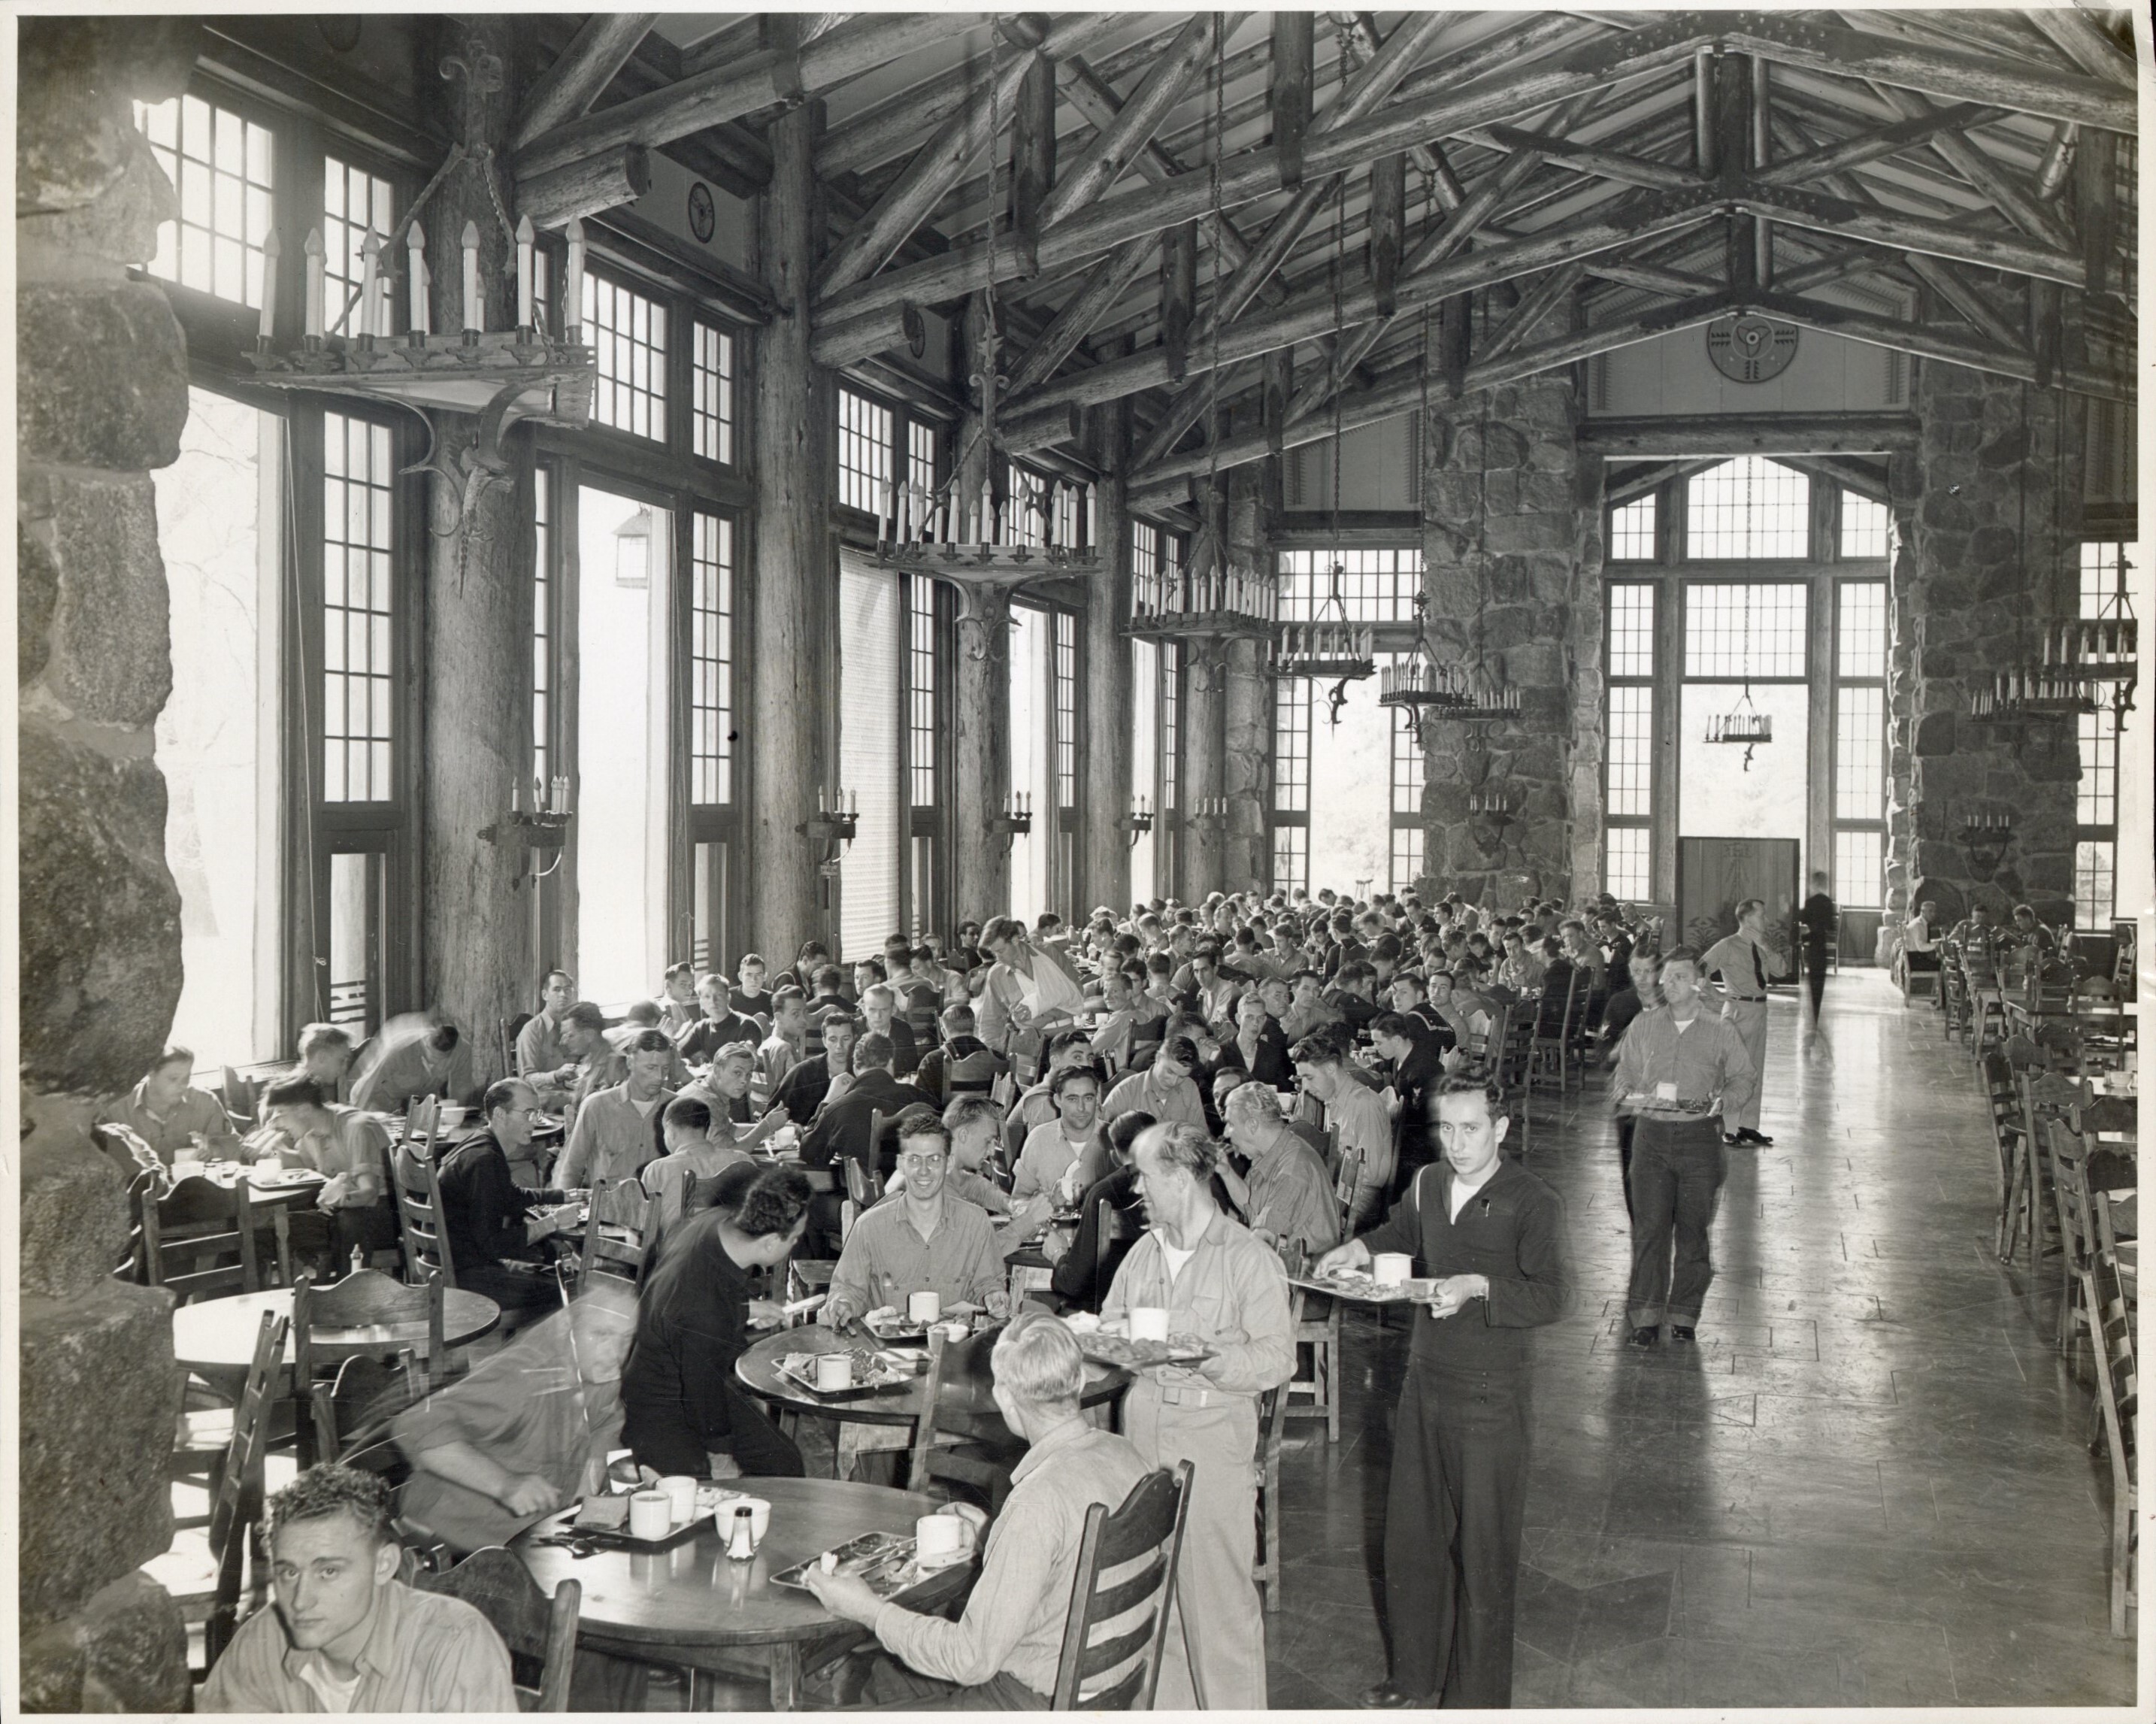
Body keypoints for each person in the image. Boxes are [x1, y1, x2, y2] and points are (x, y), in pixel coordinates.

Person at [1319, 1075, 1570, 1710]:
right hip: (1425, 1379)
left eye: (1471, 1129)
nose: (1456, 1143)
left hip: (1491, 1393)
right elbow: (1401, 1236)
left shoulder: (1533, 1200)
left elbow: (1553, 1295)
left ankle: (1476, 1699)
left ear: (1501, 1128)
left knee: (1484, 1551)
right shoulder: (1430, 1182)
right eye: (1447, 1128)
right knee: (1413, 1536)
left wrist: (1479, 1285)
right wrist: (1355, 1248)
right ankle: (1412, 1675)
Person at [803, 1311, 1155, 1710]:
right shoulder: (1125, 1454)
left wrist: (868, 1610)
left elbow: (971, 1660)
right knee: (888, 1677)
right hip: (1107, 1683)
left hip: (1037, 1700)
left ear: (1004, 1396)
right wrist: (995, 1536)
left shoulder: (1037, 1501)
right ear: (1078, 1380)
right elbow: (1072, 1556)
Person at [1101, 1123, 1293, 1710]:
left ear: (1181, 1178)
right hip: (1141, 1442)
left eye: (1144, 1175)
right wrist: (1103, 1339)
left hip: (1209, 1444)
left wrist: (1210, 1359)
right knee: (1157, 1606)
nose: (1136, 1187)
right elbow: (1110, 1322)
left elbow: (1277, 1359)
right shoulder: (1143, 1252)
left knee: (1218, 1613)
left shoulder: (1247, 1258)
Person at [198, 1463, 516, 1713]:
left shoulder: (454, 1644)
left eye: (328, 1572)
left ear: (384, 1565)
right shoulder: (263, 1640)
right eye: (289, 1572)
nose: (300, 1601)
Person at [394, 1284, 638, 1553]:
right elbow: (414, 1426)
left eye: (626, 1338)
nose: (615, 1353)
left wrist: (581, 1504)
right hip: (447, 1537)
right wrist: (505, 1484)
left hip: (528, 1533)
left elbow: (604, 1431)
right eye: (601, 1334)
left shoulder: (601, 1377)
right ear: (568, 1329)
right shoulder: (521, 1377)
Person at [619, 1167, 814, 1479]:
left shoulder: (712, 1223)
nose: (794, 1245)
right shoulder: (705, 1311)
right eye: (793, 1239)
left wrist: (744, 1310)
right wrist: (719, 1452)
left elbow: (681, 1307)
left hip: (686, 1367)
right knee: (696, 1493)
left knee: (782, 1462)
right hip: (659, 1404)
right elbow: (704, 1395)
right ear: (769, 1243)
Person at [1614, 947, 1752, 1347]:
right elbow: (1626, 1072)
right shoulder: (1644, 1024)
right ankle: (1644, 1316)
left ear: (1698, 983)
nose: (1668, 984)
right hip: (1651, 1138)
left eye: (1679, 977)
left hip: (1699, 1141)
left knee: (1693, 1231)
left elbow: (1744, 1077)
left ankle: (1684, 1314)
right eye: (1666, 976)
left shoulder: (1720, 1030)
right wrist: (1627, 1092)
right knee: (1650, 1231)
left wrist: (1724, 1101)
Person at [823, 1107, 1010, 1329]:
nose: (924, 1171)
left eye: (934, 1159)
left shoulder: (976, 1223)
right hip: (890, 1345)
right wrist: (842, 1304)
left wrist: (994, 1296)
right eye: (914, 1160)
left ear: (949, 1163)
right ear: (900, 1164)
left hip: (955, 1344)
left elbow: (988, 1283)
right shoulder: (869, 1227)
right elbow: (848, 1291)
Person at [435, 1080, 577, 1317]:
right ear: (500, 1114)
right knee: (572, 1286)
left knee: (560, 1274)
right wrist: (552, 1223)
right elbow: (493, 1244)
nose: (535, 1122)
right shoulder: (485, 1160)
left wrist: (566, 1196)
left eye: (537, 1113)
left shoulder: (482, 1141)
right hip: (468, 1278)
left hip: (455, 1265)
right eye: (528, 1113)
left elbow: (512, 1197)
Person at [258, 1074, 402, 1265]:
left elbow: (368, 1194)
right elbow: (303, 1162)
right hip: (345, 1211)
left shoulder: (357, 1127)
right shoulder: (311, 1129)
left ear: (304, 1109)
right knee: (265, 1231)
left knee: (349, 1221)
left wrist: (335, 1199)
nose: (278, 1122)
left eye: (281, 1113)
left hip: (387, 1214)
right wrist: (272, 1148)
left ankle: (350, 1281)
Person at [1700, 898, 1785, 1146]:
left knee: (1754, 1069)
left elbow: (1781, 970)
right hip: (1738, 1012)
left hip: (1759, 1011)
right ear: (1747, 919)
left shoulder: (1762, 945)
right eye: (1762, 915)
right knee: (1734, 1071)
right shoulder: (1728, 945)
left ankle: (1747, 1125)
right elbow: (1700, 970)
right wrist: (1717, 995)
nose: (1766, 919)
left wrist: (1765, 946)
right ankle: (1727, 1127)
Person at [1049, 1110, 1153, 1311]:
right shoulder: (1177, 1184)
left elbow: (1074, 1283)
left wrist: (1057, 1254)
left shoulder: (1103, 1193)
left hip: (1106, 1311)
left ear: (1114, 1155)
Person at [799, 1030, 933, 1183]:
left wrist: (827, 1101)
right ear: (890, 1063)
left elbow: (809, 1154)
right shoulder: (920, 1097)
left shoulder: (838, 1108)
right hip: (923, 1190)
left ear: (855, 1067)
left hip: (865, 1196)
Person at [1292, 1026, 1394, 1228]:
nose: (1306, 1087)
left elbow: (1369, 1176)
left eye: (1309, 1077)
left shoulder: (1364, 1103)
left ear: (1331, 1069)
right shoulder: (1333, 1100)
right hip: (1342, 1191)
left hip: (1359, 1202)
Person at [1219, 1083, 1339, 1254]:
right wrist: (1226, 1172)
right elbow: (1251, 1205)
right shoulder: (1276, 1151)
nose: (1226, 1133)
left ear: (1252, 1125)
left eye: (1231, 1124)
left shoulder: (1292, 1171)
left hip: (1305, 1266)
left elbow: (1262, 1240)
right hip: (1285, 1258)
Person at [556, 1028, 676, 1190]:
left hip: (660, 1204)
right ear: (630, 1063)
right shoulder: (596, 1106)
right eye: (651, 1068)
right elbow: (571, 1168)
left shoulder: (676, 1107)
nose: (660, 1077)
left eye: (665, 1069)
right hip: (607, 1204)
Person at [96, 1046, 238, 1166]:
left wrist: (213, 1151)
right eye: (173, 1079)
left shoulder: (205, 1102)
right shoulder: (115, 1109)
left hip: (196, 1187)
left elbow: (234, 1147)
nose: (182, 1086)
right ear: (151, 1074)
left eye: (186, 1079)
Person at [1600, 950, 1661, 1220]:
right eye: (1637, 971)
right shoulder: (1620, 1003)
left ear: (1659, 972)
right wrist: (1618, 1051)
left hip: (1664, 1100)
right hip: (1628, 1098)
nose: (1642, 978)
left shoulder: (1672, 1002)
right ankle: (1639, 1226)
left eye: (1648, 971)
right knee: (1631, 1169)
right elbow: (1603, 1051)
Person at [976, 915, 1089, 1062]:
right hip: (1027, 1044)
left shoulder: (1050, 953)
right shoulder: (996, 975)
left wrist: (1046, 1016)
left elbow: (1077, 993)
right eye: (994, 953)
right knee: (1023, 1077)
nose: (998, 958)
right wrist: (995, 1058)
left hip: (1064, 1037)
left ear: (1015, 940)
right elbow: (990, 1022)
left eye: (1001, 951)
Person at [1012, 1063, 1107, 1206]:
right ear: (1058, 1101)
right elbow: (1017, 1202)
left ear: (1097, 1099)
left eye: (1088, 1098)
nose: (1081, 1108)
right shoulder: (1038, 1139)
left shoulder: (1115, 1138)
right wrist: (1050, 1203)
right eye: (1072, 1099)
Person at [350, 1020, 476, 1113]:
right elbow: (369, 1087)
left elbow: (461, 1090)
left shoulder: (462, 1050)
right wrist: (359, 1118)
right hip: (375, 1098)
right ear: (426, 1041)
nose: (436, 1063)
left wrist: (453, 1119)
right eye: (433, 1055)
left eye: (443, 1058)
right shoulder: (400, 1048)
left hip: (411, 1104)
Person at [1101, 1035, 1207, 1131]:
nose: (1174, 1082)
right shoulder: (1124, 1092)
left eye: (1182, 1077)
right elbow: (1100, 1138)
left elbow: (1200, 1133)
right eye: (1170, 1072)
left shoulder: (1190, 1087)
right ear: (1158, 1058)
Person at [911, 1003, 1007, 1105]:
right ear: (974, 1029)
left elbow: (920, 1104)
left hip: (949, 1115)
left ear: (944, 1032)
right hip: (988, 1114)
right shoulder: (998, 1058)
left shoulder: (933, 1060)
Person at [776, 1007, 858, 1126]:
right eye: (833, 1039)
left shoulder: (862, 1071)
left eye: (846, 1039)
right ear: (824, 1042)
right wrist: (790, 1126)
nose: (839, 1046)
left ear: (855, 1040)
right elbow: (772, 1113)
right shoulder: (803, 1072)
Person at [679, 972, 763, 1064]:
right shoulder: (701, 1028)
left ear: (728, 998)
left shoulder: (747, 1026)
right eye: (707, 997)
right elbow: (678, 1053)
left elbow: (744, 1066)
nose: (713, 1001)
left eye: (719, 995)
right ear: (701, 1003)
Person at [1797, 871, 1837, 1053]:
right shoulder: (1828, 903)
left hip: (1813, 947)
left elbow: (1802, 919)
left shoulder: (1810, 902)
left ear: (1813, 884)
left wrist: (1803, 937)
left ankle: (1814, 1018)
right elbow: (1830, 927)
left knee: (1813, 983)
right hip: (1822, 948)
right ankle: (1816, 1015)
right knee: (1819, 983)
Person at [858, 982, 920, 1077]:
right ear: (863, 1008)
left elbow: (911, 1068)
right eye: (872, 1010)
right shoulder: (854, 1028)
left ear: (893, 1009)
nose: (878, 1016)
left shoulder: (903, 1029)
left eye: (884, 1010)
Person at [729, 951, 774, 1021]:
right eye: (749, 975)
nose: (754, 979)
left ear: (765, 977)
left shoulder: (774, 1000)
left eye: (758, 975)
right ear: (740, 976)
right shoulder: (727, 998)